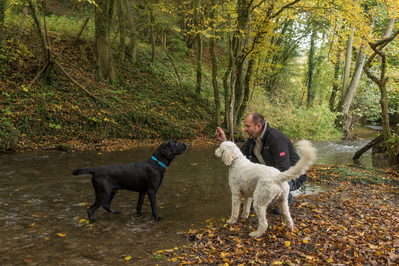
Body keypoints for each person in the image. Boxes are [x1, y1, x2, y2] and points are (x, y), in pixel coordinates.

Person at [215, 112, 307, 214]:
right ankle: (259, 197)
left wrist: (264, 184)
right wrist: (224, 141)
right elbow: (237, 155)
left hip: (291, 176)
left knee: (275, 204)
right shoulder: (253, 139)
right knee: (248, 164)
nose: (245, 129)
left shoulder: (276, 139)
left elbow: (283, 168)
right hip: (269, 173)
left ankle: (286, 197)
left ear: (258, 126)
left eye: (247, 126)